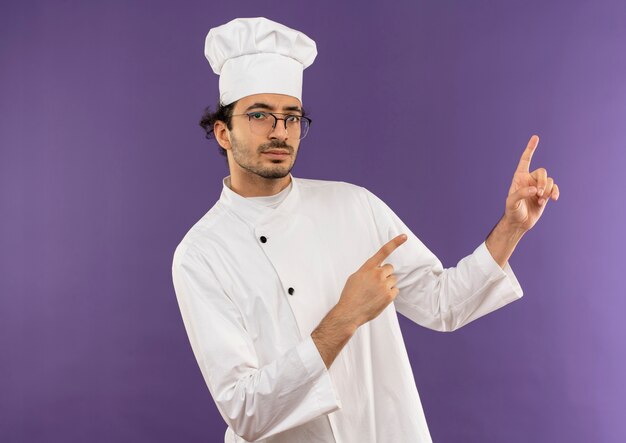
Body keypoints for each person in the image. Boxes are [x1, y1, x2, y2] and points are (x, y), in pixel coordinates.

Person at [171, 17, 559, 443]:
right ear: (224, 132)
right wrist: (346, 315)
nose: (280, 132)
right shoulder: (202, 252)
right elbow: (246, 412)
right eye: (260, 115)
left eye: (292, 117)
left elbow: (443, 303)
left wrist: (512, 227)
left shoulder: (354, 206)